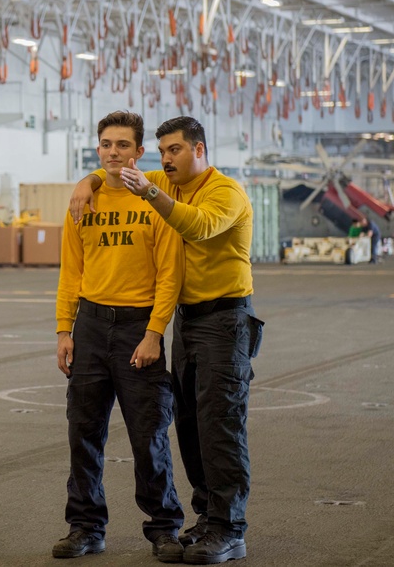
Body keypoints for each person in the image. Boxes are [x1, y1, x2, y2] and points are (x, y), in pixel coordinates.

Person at [69, 116, 264, 564]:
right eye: (161, 153)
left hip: (227, 320)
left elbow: (196, 226)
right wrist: (89, 179)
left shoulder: (225, 192)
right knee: (191, 426)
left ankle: (230, 529)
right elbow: (119, 168)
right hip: (189, 322)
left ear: (199, 149)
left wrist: (150, 191)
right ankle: (207, 518)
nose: (165, 160)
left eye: (173, 150)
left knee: (221, 425)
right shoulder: (168, 181)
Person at [53, 111, 185, 563]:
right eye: (106, 144)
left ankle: (165, 528)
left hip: (136, 327)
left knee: (149, 436)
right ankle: (86, 527)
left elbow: (170, 274)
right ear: (98, 150)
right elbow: (71, 272)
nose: (114, 152)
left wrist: (154, 334)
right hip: (89, 325)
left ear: (138, 152)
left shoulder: (155, 197)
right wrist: (63, 330)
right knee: (83, 432)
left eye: (123, 145)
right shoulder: (80, 202)